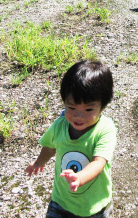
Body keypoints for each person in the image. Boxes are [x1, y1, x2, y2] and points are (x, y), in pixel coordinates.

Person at [25, 61, 116, 218]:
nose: (78, 116)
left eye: (88, 109)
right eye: (72, 107)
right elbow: (49, 147)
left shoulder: (105, 130)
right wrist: (39, 162)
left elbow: (98, 162)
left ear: (102, 106)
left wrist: (79, 178)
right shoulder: (60, 126)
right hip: (61, 201)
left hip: (95, 206)